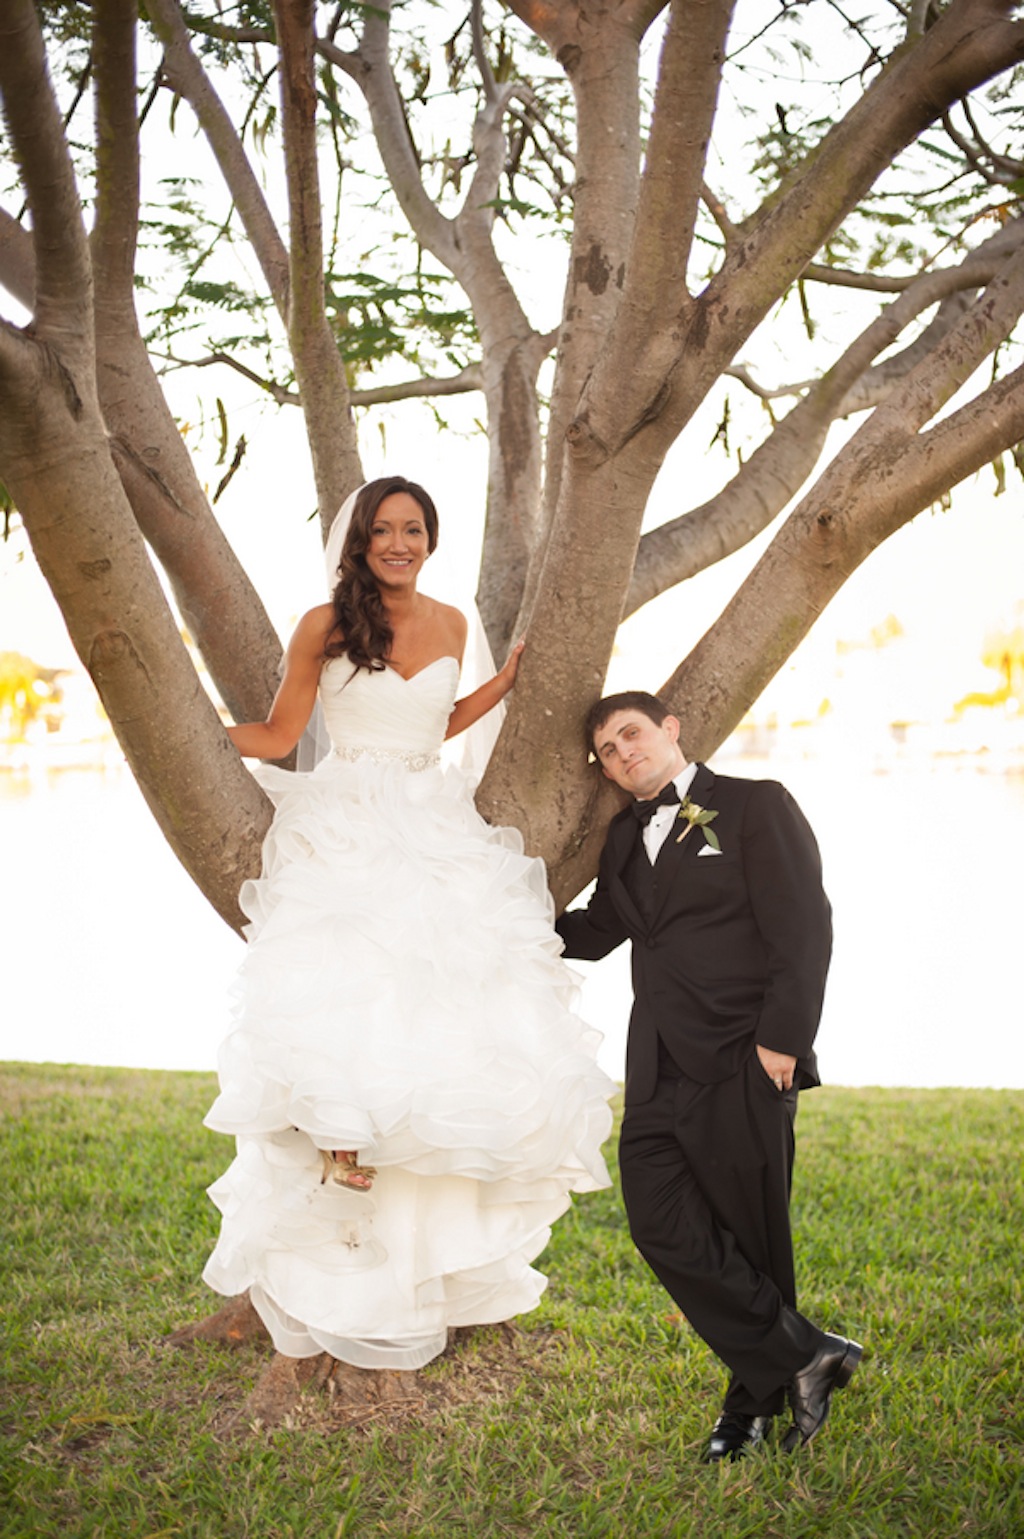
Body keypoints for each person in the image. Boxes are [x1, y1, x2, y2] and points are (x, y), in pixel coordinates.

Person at [202, 476, 614, 1372]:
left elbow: (437, 717)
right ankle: (339, 1146)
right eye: (383, 529)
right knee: (351, 979)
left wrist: (502, 683)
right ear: (359, 539)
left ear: (432, 538)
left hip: (434, 816)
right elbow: (281, 735)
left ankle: (426, 1232)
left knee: (448, 1006)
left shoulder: (455, 626)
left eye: (413, 529)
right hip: (348, 814)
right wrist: (202, 732)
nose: (398, 542)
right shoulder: (325, 623)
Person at [555, 691, 862, 1460]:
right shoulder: (623, 840)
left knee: (750, 1236)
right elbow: (594, 935)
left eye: (631, 734)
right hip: (656, 1065)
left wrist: (783, 1041)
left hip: (744, 1055)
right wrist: (490, 914)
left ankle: (747, 1410)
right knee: (659, 1220)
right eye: (608, 750)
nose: (622, 753)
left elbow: (804, 926)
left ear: (670, 729)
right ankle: (805, 1354)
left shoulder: (757, 806)